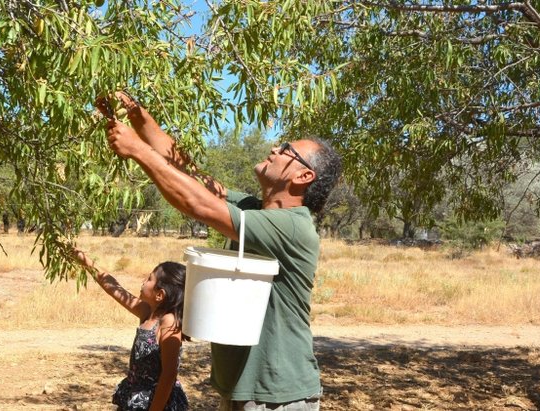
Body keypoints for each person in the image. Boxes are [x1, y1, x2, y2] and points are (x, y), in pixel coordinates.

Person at [98, 92, 342, 410]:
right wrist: (137, 114)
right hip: (242, 389)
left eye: (286, 150)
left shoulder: (292, 226)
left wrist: (137, 150)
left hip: (277, 395)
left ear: (303, 176)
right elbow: (190, 175)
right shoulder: (255, 208)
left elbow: (197, 203)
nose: (274, 149)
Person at [73, 249, 189, 411]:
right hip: (135, 398)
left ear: (160, 295)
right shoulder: (147, 312)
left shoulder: (168, 322)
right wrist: (86, 261)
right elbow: (114, 288)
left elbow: (169, 375)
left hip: (157, 403)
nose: (143, 281)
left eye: (149, 279)